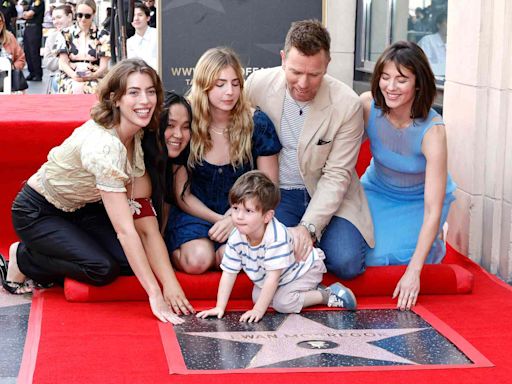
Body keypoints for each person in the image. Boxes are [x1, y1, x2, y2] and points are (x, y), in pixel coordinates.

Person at [0, 59, 190, 323]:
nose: (145, 100)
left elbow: (145, 220)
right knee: (102, 268)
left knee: (128, 263)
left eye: (150, 91)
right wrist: (155, 294)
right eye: (134, 92)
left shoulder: (134, 132)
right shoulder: (105, 146)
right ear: (115, 98)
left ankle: (59, 249)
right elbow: (126, 231)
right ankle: (23, 258)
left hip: (82, 208)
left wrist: (171, 283)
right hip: (38, 211)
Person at [245, 19, 374, 280]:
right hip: (279, 194)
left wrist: (308, 228)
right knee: (268, 256)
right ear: (283, 59)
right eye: (295, 72)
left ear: (327, 64)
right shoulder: (256, 85)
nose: (303, 83)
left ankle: (311, 250)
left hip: (330, 195)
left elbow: (337, 175)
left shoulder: (347, 104)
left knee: (347, 262)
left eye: (314, 74)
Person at [166, 47, 281, 275]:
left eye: (235, 83)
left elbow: (268, 187)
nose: (229, 91)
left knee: (228, 258)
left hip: (246, 212)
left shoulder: (257, 123)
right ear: (204, 85)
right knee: (197, 260)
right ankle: (172, 247)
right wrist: (220, 219)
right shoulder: (188, 122)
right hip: (196, 211)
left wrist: (235, 219)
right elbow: (182, 194)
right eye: (220, 84)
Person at [359, 41, 456, 311]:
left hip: (418, 202)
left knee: (387, 258)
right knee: (358, 256)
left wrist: (414, 272)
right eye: (385, 77)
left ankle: (435, 240)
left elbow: (432, 208)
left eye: (401, 80)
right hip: (375, 190)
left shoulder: (433, 131)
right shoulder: (368, 106)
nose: (390, 87)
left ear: (418, 83)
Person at [197, 171, 357, 323]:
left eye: (248, 211)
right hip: (280, 276)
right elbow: (229, 273)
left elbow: (273, 278)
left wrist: (258, 311)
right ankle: (301, 292)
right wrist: (219, 307)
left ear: (267, 216)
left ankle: (325, 294)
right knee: (257, 297)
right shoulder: (237, 235)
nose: (239, 216)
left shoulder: (276, 236)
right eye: (235, 208)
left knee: (282, 303)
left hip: (304, 269)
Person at [57, 0, 110, 94]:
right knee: (70, 88)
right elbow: (63, 62)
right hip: (70, 75)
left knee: (95, 89)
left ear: (93, 14)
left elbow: (104, 66)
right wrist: (74, 75)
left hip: (95, 76)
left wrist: (93, 75)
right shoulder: (65, 33)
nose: (83, 19)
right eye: (79, 15)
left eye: (87, 16)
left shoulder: (103, 34)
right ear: (75, 14)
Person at [42, 4, 72, 93]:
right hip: (60, 75)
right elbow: (47, 62)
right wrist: (64, 62)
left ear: (69, 17)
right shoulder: (52, 38)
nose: (56, 22)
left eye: (59, 17)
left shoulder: (81, 34)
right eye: (53, 19)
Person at [126, 2, 157, 70]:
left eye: (140, 15)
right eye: (133, 15)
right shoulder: (130, 42)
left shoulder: (157, 35)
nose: (136, 18)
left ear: (148, 18)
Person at [418, 12, 447, 78]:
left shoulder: (454, 43)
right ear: (438, 25)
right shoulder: (428, 40)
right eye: (447, 23)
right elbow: (425, 65)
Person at [22, 0, 44, 81]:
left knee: (34, 51)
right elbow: (24, 13)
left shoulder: (38, 1)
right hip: (28, 27)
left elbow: (30, 14)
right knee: (27, 51)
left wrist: (27, 14)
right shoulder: (31, 2)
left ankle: (38, 73)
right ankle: (32, 72)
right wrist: (26, 14)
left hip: (35, 28)